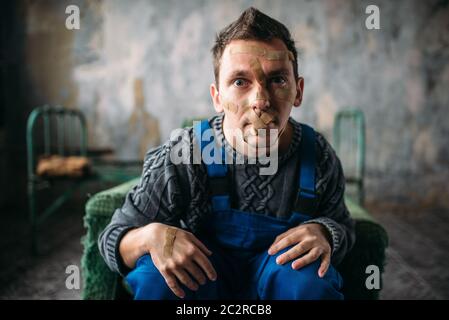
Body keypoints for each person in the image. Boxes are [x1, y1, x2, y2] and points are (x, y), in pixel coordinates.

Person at [98, 7, 355, 300]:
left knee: (309, 283)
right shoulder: (185, 154)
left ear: (298, 91)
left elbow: (344, 226)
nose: (260, 101)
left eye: (277, 80)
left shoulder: (318, 157)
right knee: (156, 277)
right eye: (240, 82)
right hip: (204, 283)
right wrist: (149, 236)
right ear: (217, 97)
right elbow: (112, 237)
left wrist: (325, 233)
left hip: (281, 280)